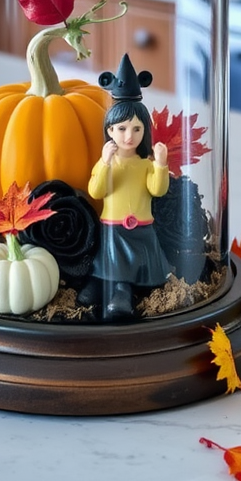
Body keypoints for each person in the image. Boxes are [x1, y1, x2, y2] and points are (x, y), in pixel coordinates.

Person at [86, 54, 171, 319]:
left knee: (133, 267)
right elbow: (96, 191)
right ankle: (103, 288)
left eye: (136, 129)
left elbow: (157, 190)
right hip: (113, 226)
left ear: (145, 130)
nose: (129, 136)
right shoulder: (107, 163)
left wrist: (160, 164)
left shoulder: (144, 164)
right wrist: (104, 162)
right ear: (110, 131)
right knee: (111, 263)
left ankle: (121, 294)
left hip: (142, 228)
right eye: (121, 128)